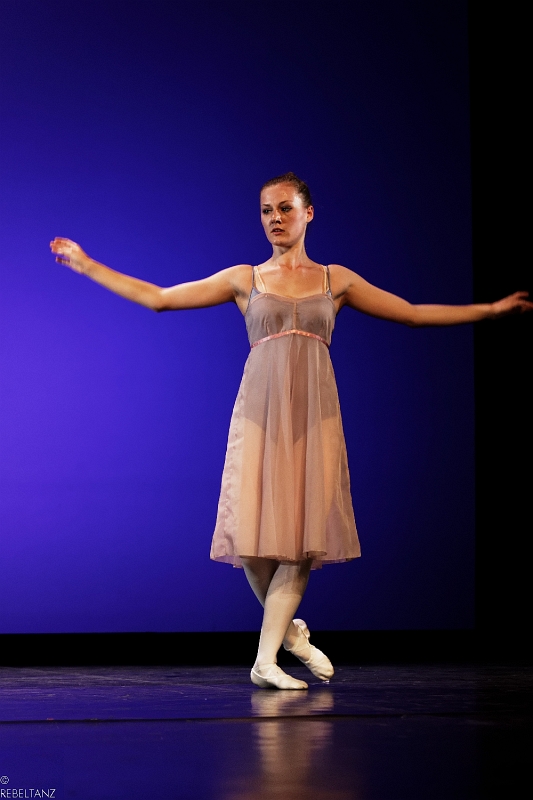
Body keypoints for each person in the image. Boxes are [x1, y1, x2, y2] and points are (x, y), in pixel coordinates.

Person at [50, 172, 532, 690]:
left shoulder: (335, 280)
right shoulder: (245, 279)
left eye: (284, 208)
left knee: (301, 541)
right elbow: (161, 298)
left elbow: (411, 314)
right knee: (252, 544)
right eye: (266, 210)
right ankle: (292, 636)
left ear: (308, 213)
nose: (274, 219)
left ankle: (265, 662)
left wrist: (490, 310)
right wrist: (86, 264)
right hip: (260, 414)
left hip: (314, 417)